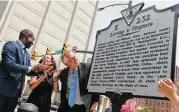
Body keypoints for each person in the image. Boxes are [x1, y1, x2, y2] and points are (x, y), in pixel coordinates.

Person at [0, 29, 48, 112]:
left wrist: (40, 70)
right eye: (32, 39)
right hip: (3, 90)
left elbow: (27, 71)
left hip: (15, 93)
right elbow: (9, 65)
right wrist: (32, 68)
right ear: (26, 37)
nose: (33, 43)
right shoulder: (11, 45)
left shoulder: (27, 54)